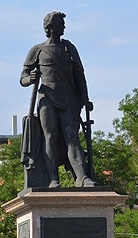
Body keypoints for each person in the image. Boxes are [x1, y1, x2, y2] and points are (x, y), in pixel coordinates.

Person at [21, 11, 95, 188]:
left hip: (69, 98)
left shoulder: (69, 48)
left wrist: (85, 98)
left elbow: (79, 75)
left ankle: (82, 177)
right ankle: (53, 178)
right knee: (50, 137)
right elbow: (23, 77)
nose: (64, 27)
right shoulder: (37, 50)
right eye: (61, 24)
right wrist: (30, 78)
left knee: (72, 137)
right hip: (47, 98)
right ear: (50, 27)